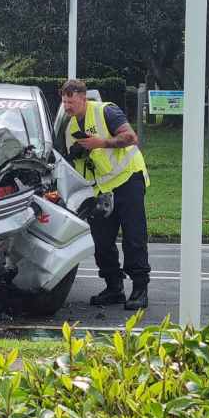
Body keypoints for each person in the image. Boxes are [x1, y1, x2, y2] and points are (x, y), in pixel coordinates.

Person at [60, 79, 151, 310]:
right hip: (102, 188)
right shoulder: (70, 127)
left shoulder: (106, 111)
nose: (67, 106)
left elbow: (131, 138)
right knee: (100, 239)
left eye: (70, 101)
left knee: (133, 236)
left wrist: (102, 143)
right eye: (64, 101)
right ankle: (114, 288)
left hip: (128, 179)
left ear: (83, 97)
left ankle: (140, 290)